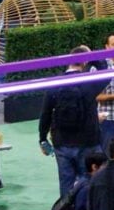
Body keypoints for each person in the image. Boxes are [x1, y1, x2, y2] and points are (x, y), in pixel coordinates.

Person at [39, 52, 106, 193]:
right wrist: (92, 57)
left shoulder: (54, 85)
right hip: (88, 142)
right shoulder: (89, 83)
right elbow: (106, 71)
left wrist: (42, 139)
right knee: (87, 183)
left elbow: (45, 114)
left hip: (62, 142)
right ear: (84, 62)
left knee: (66, 184)